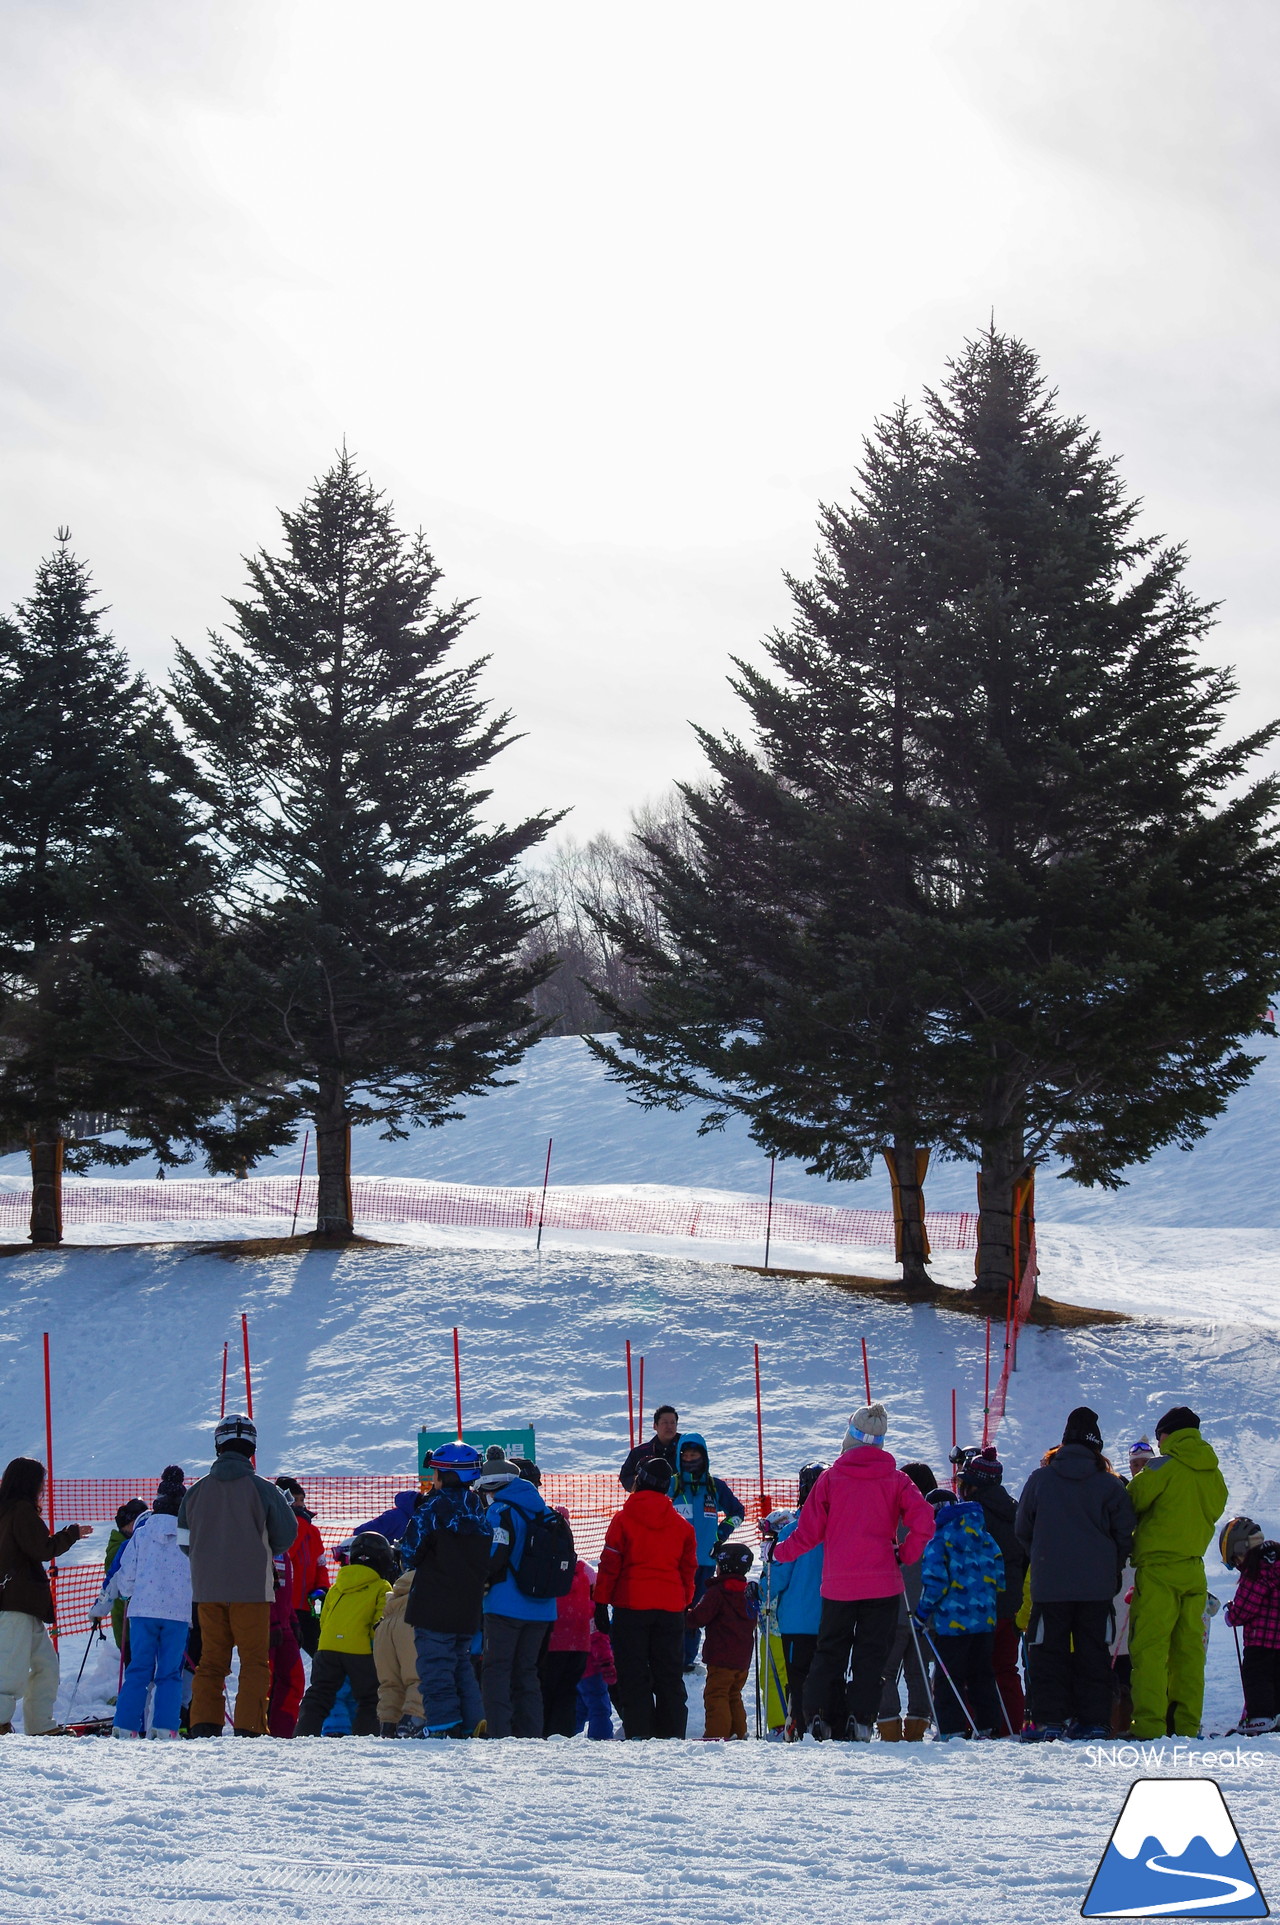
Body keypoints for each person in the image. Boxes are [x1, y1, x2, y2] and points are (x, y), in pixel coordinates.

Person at [772, 1403, 934, 1742]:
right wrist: (905, 1554)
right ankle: (861, 1719)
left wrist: (779, 1552)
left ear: (849, 1438)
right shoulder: (897, 1479)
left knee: (829, 1651)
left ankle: (816, 1715)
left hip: (838, 1585)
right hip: (883, 1584)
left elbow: (809, 1532)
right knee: (870, 1657)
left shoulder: (832, 1478)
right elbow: (924, 1521)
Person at [1014, 1407, 1136, 1741]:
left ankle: (1046, 1721)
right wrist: (1110, 1566)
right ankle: (1094, 1721)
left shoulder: (1040, 1480)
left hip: (1049, 1585)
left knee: (1046, 1653)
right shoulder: (1110, 1486)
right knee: (1093, 1655)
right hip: (1096, 1588)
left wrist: (1042, 1558)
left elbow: (1022, 1527)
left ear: (1064, 1441)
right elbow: (1125, 1533)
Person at [177, 1414, 298, 1737]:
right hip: (252, 1592)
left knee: (211, 1662)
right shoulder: (263, 1490)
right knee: (254, 1662)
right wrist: (260, 1552)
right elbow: (287, 1534)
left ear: (218, 1445)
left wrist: (207, 1561)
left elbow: (184, 1541)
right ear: (252, 1447)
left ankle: (204, 1725)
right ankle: (250, 1728)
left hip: (208, 1591)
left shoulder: (196, 1492)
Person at [1127, 1405, 1228, 1740]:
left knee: (1151, 1650)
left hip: (1158, 1569)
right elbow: (1216, 1506)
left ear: (1167, 1434)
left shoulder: (1162, 1466)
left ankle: (1149, 1726)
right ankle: (1187, 1726)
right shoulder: (1213, 1472)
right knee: (1189, 1654)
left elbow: (1132, 1500)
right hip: (1194, 1569)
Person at [595, 1457, 697, 1739]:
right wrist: (683, 1601)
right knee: (669, 1676)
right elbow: (688, 1571)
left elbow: (610, 1564)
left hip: (631, 1607)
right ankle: (672, 1735)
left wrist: (601, 1602)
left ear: (639, 1481)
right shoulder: (682, 1527)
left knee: (633, 1674)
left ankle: (639, 1733)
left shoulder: (623, 1520)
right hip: (670, 1608)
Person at [90, 1466, 190, 1739]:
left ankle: (125, 1726)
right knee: (170, 1673)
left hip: (143, 1611)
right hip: (177, 1614)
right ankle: (166, 1726)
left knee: (139, 1669)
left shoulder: (141, 1534)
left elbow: (126, 1576)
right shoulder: (189, 1535)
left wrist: (127, 1592)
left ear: (156, 1503)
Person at [400, 1442, 491, 1739]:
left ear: (447, 1475)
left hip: (434, 1603)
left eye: (436, 1473)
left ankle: (442, 1726)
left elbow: (410, 1552)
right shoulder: (480, 1510)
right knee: (460, 1663)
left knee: (435, 1667)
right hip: (467, 1606)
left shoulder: (433, 1508)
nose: (433, 1479)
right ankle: (472, 1720)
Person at [0, 1456, 92, 1737]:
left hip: (22, 1602)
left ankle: (41, 1725)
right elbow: (42, 1548)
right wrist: (71, 1534)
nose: (43, 1487)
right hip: (16, 1602)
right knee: (10, 1671)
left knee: (46, 1667)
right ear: (30, 1482)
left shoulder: (7, 1510)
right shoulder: (20, 1510)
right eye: (41, 1481)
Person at [476, 1453, 559, 1738]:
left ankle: (500, 1734)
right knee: (527, 1672)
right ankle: (531, 1735)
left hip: (504, 1605)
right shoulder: (544, 1510)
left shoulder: (500, 1511)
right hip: (543, 1608)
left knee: (496, 1670)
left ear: (490, 1487)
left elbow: (494, 1556)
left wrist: (479, 1580)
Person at [915, 1485, 1005, 1738]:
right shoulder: (984, 1535)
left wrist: (922, 1613)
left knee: (948, 1676)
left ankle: (952, 1728)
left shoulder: (940, 1539)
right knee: (981, 1673)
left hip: (952, 1621)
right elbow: (999, 1573)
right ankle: (988, 1723)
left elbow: (935, 1582)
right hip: (985, 1618)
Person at [766, 1464, 843, 1739]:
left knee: (798, 1678)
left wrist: (761, 1592)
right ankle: (831, 1722)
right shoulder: (840, 1530)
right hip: (834, 1616)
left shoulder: (792, 1532)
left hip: (797, 1622)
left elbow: (777, 1575)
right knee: (831, 1674)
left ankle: (800, 1723)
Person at [296, 1532, 395, 1736]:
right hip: (360, 1650)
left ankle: (304, 1734)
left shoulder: (337, 1586)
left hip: (327, 1648)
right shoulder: (381, 1586)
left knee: (319, 1694)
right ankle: (364, 1736)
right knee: (369, 1698)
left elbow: (324, 1618)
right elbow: (381, 1622)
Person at [955, 1447, 1026, 1732]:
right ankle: (1011, 1725)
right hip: (1012, 1602)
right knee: (1007, 1668)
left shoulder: (973, 1515)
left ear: (974, 1484)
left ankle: (977, 1724)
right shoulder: (1016, 1509)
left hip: (979, 1602)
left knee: (976, 1668)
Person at [669, 1432, 746, 1666]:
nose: (691, 1459)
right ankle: (669, 1656)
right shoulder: (671, 1484)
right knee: (673, 1609)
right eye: (686, 1455)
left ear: (704, 1457)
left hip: (704, 1561)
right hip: (674, 1561)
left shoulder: (715, 1487)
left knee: (696, 1611)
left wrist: (722, 1534)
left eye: (695, 1455)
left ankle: (687, 1658)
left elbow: (738, 1512)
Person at [876, 1461, 938, 1742]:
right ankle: (917, 1725)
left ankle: (888, 1724)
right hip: (926, 1612)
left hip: (895, 1609)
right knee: (918, 1671)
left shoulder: (894, 1518)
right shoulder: (935, 1519)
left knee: (885, 1670)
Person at [688, 1541, 757, 1740]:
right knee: (734, 1694)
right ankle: (737, 1732)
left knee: (716, 1695)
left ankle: (716, 1736)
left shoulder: (717, 1592)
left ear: (724, 1567)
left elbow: (699, 1617)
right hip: (742, 1659)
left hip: (721, 1656)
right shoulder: (748, 1594)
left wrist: (685, 1616)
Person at [1222, 1517, 1280, 1733]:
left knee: (1257, 1677)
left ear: (1242, 1548)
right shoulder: (1276, 1562)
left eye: (1235, 1561)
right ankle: (1276, 1714)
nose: (1238, 1567)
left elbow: (1247, 1605)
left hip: (1260, 1640)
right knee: (1276, 1677)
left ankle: (1260, 1717)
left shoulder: (1257, 1569)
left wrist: (1232, 1615)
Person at [542, 1524, 593, 1737]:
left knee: (546, 1690)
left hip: (553, 1641)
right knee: (568, 1691)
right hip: (580, 1643)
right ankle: (562, 1734)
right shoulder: (583, 1570)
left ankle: (543, 1732)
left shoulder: (545, 1568)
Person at [274, 1478, 330, 1658]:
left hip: (307, 1605)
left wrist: (322, 1587)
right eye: (295, 1499)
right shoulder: (280, 1527)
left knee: (322, 1653)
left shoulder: (312, 1531)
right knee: (284, 1657)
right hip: (284, 1605)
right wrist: (300, 1522)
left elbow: (320, 1564)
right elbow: (286, 1554)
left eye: (302, 1500)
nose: (299, 1504)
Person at [373, 1565, 425, 1737]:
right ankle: (413, 1721)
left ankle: (388, 1724)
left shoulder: (399, 1588)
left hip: (385, 1626)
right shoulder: (432, 1580)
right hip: (411, 1621)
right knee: (417, 1676)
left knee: (390, 1682)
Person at [101, 1498, 148, 1652]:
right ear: (129, 1524)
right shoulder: (119, 1548)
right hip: (126, 1625)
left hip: (138, 1622)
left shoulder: (134, 1543)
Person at [619, 1406, 682, 1493]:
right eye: (665, 1423)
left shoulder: (687, 1448)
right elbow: (626, 1476)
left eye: (673, 1423)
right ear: (655, 1426)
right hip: (649, 1502)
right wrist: (641, 1485)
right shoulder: (641, 1452)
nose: (669, 1426)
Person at [576, 1618, 617, 1739]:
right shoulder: (594, 1613)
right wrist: (607, 1663)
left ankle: (566, 1735)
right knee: (600, 1708)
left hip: (574, 1664)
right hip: (592, 1668)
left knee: (579, 1707)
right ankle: (601, 1738)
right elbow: (599, 1640)